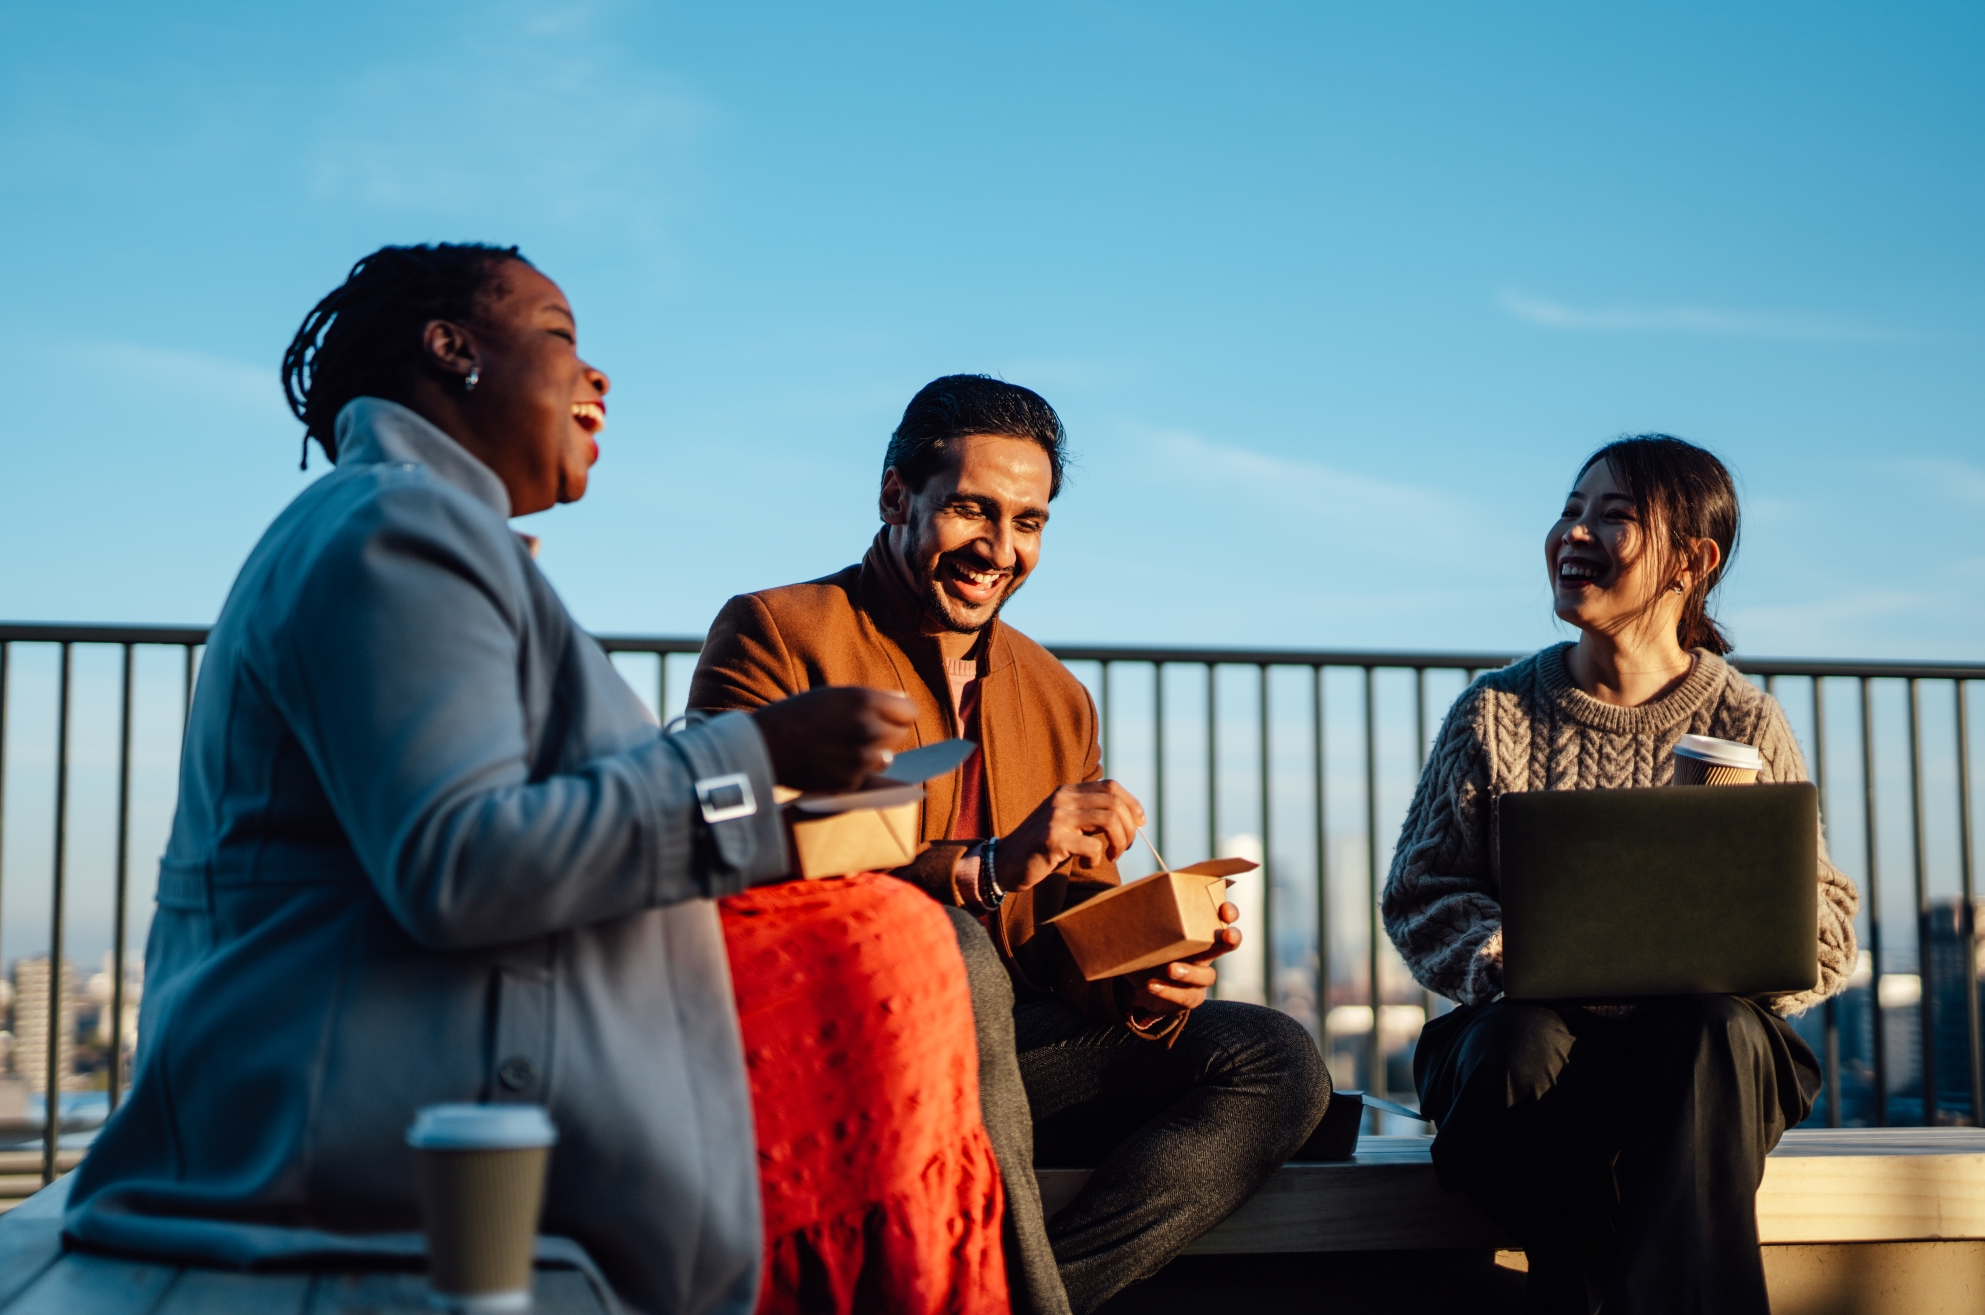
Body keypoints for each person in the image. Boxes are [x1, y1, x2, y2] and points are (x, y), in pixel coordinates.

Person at [63, 244, 1002, 1315]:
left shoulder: (420, 528)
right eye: (560, 336)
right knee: (894, 949)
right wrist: (763, 757)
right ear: (450, 349)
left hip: (383, 1080)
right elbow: (459, 860)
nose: (597, 376)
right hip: (367, 1125)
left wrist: (760, 785)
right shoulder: (396, 527)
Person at [690, 374, 1330, 1314]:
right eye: (972, 511)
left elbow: (1073, 940)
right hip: (832, 1043)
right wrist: (984, 868)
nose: (1001, 549)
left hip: (1005, 1055)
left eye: (1028, 521)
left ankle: (1028, 1300)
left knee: (1279, 1058)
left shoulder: (1058, 693)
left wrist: (1143, 972)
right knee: (952, 950)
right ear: (895, 496)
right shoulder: (777, 633)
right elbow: (731, 858)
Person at [1382, 434, 1859, 1314]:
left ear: (1693, 560)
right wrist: (1512, 956)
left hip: (1698, 1064)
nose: (1574, 533)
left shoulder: (1742, 717)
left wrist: (1737, 947)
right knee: (1518, 1043)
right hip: (1528, 1048)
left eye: (1613, 516)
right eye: (1570, 509)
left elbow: (1827, 917)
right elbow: (1421, 892)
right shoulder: (1496, 710)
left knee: (1711, 1030)